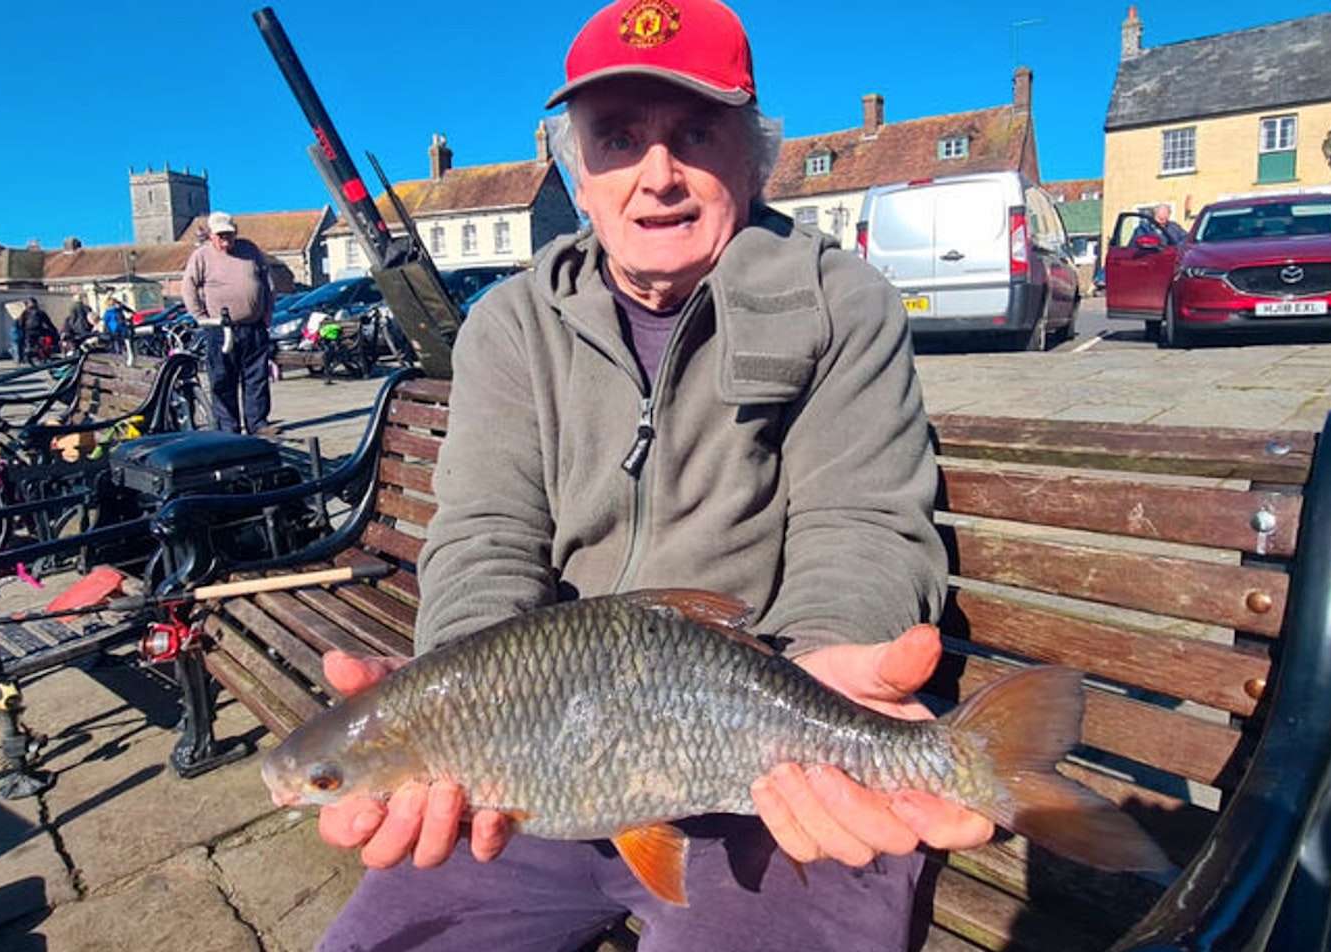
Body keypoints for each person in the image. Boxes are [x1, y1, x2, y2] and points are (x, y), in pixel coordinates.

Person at [313, 2, 992, 949]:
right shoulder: (511, 324)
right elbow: (483, 538)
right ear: (575, 173)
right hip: (542, 755)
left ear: (755, 158)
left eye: (695, 133)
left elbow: (866, 524)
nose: (658, 176)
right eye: (619, 139)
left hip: (767, 745)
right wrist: (463, 707)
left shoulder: (843, 304)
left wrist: (830, 678)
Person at [181, 211, 276, 433]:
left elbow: (267, 281)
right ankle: (228, 428)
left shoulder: (249, 249)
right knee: (223, 379)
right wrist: (201, 318)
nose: (226, 240)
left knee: (257, 377)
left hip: (254, 326)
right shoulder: (201, 256)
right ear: (211, 236)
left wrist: (267, 311)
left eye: (229, 235)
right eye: (220, 236)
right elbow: (188, 287)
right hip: (220, 330)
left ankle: (258, 423)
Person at [16, 298, 60, 362]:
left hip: (29, 332)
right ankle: (49, 350)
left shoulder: (25, 313)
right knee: (49, 337)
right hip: (38, 331)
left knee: (21, 342)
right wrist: (54, 330)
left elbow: (21, 323)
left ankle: (21, 358)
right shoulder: (40, 312)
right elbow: (48, 322)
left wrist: (22, 330)